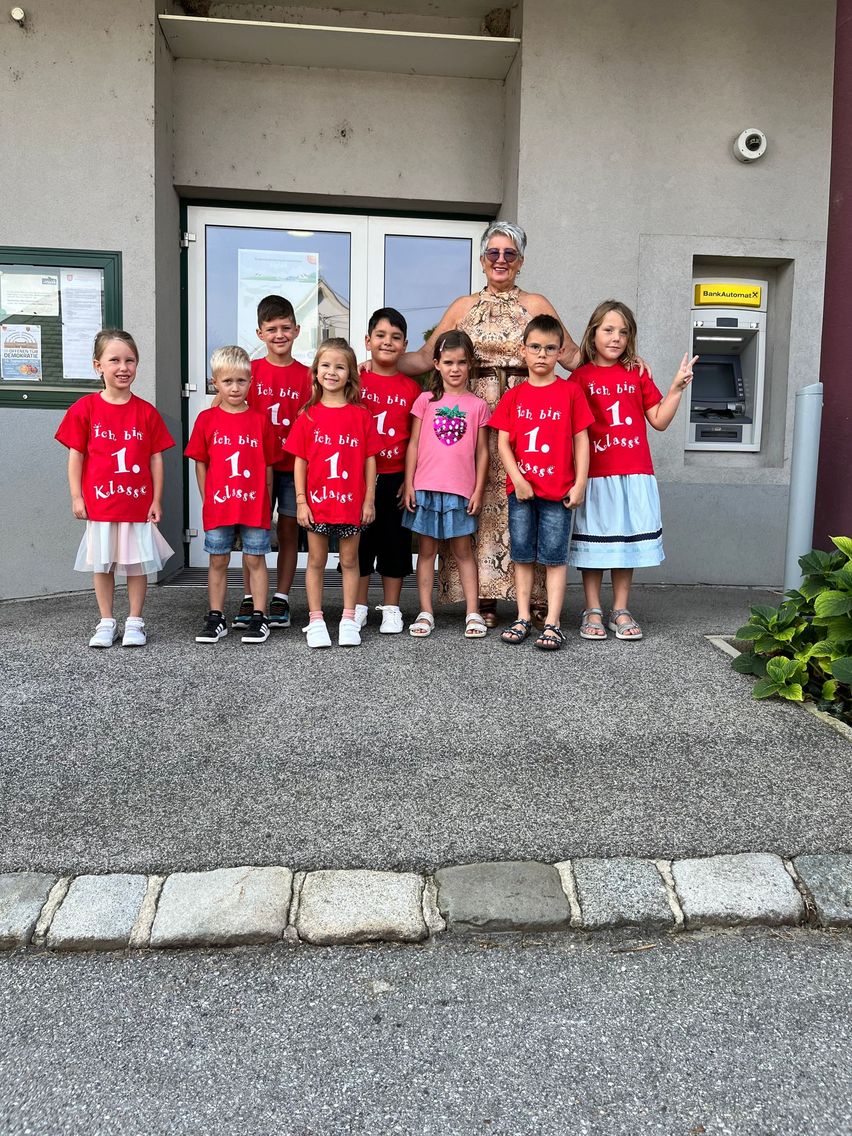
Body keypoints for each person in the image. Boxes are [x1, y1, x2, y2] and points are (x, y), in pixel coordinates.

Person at [395, 221, 581, 628]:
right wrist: (381, 361)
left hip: (526, 413)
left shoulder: (536, 303)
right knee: (477, 504)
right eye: (493, 253)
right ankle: (483, 599)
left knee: (523, 501)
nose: (500, 260)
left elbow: (569, 355)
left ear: (521, 261)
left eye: (509, 254)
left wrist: (621, 365)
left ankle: (528, 599)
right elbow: (428, 357)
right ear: (482, 260)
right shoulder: (462, 307)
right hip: (472, 417)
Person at [568, 301, 696, 640]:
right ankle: (592, 608)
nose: (616, 337)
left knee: (625, 545)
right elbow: (573, 430)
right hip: (596, 474)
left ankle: (620, 609)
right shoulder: (579, 378)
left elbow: (659, 420)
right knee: (595, 547)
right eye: (608, 330)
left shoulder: (636, 373)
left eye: (623, 332)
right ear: (593, 333)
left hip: (634, 471)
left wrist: (676, 388)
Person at [55, 329, 175, 648]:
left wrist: (156, 499)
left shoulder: (146, 412)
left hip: (136, 505)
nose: (123, 367)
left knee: (136, 564)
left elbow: (156, 459)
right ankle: (106, 621)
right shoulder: (85, 409)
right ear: (98, 366)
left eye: (130, 360)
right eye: (115, 360)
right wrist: (77, 496)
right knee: (103, 562)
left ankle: (135, 621)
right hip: (102, 505)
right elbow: (76, 455)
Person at [489, 315, 594, 651]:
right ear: (524, 350)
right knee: (522, 556)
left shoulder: (571, 392)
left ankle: (553, 622)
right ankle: (521, 617)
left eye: (550, 348)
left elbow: (581, 440)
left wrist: (580, 483)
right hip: (522, 492)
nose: (542, 354)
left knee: (553, 558)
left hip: (559, 492)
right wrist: (517, 479)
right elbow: (503, 443)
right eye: (535, 347)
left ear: (560, 352)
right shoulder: (514, 396)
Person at [285, 338, 382, 649]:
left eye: (339, 366)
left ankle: (348, 618)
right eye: (325, 365)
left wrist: (369, 500)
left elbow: (370, 461)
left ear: (350, 374)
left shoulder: (361, 415)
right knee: (316, 559)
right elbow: (300, 463)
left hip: (351, 504)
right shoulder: (308, 415)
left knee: (350, 560)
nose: (331, 372)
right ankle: (315, 620)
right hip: (317, 504)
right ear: (315, 372)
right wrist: (301, 502)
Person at [185, 346, 278, 645]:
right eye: (228, 382)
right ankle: (216, 616)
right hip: (219, 504)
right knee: (218, 560)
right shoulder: (206, 420)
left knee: (255, 559)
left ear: (250, 383)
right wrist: (206, 498)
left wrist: (267, 500)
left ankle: (259, 616)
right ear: (215, 383)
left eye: (241, 381)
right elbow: (201, 463)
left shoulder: (260, 421)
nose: (235, 388)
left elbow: (267, 466)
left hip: (253, 505)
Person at [402, 330, 490, 639]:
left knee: (463, 552)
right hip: (426, 487)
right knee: (426, 552)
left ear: (470, 366)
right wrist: (409, 482)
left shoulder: (477, 405)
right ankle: (425, 612)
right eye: (449, 362)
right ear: (436, 364)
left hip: (460, 491)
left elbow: (482, 451)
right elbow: (413, 444)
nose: (455, 369)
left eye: (462, 363)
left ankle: (473, 612)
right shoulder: (426, 401)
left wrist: (478, 489)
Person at [232, 294, 311, 631]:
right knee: (255, 533)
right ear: (259, 333)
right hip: (255, 467)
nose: (279, 334)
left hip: (293, 467)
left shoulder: (308, 376)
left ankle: (281, 596)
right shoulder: (249, 373)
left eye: (285, 328)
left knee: (289, 532)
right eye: (271, 329)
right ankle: (251, 597)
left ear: (296, 330)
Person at [355, 307, 422, 634]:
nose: (387, 342)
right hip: (357, 478)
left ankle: (392, 608)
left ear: (405, 344)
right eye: (380, 336)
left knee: (395, 542)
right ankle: (358, 606)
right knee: (360, 544)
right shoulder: (356, 380)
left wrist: (410, 480)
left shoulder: (412, 389)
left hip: (395, 477)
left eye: (395, 338)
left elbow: (416, 440)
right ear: (367, 341)